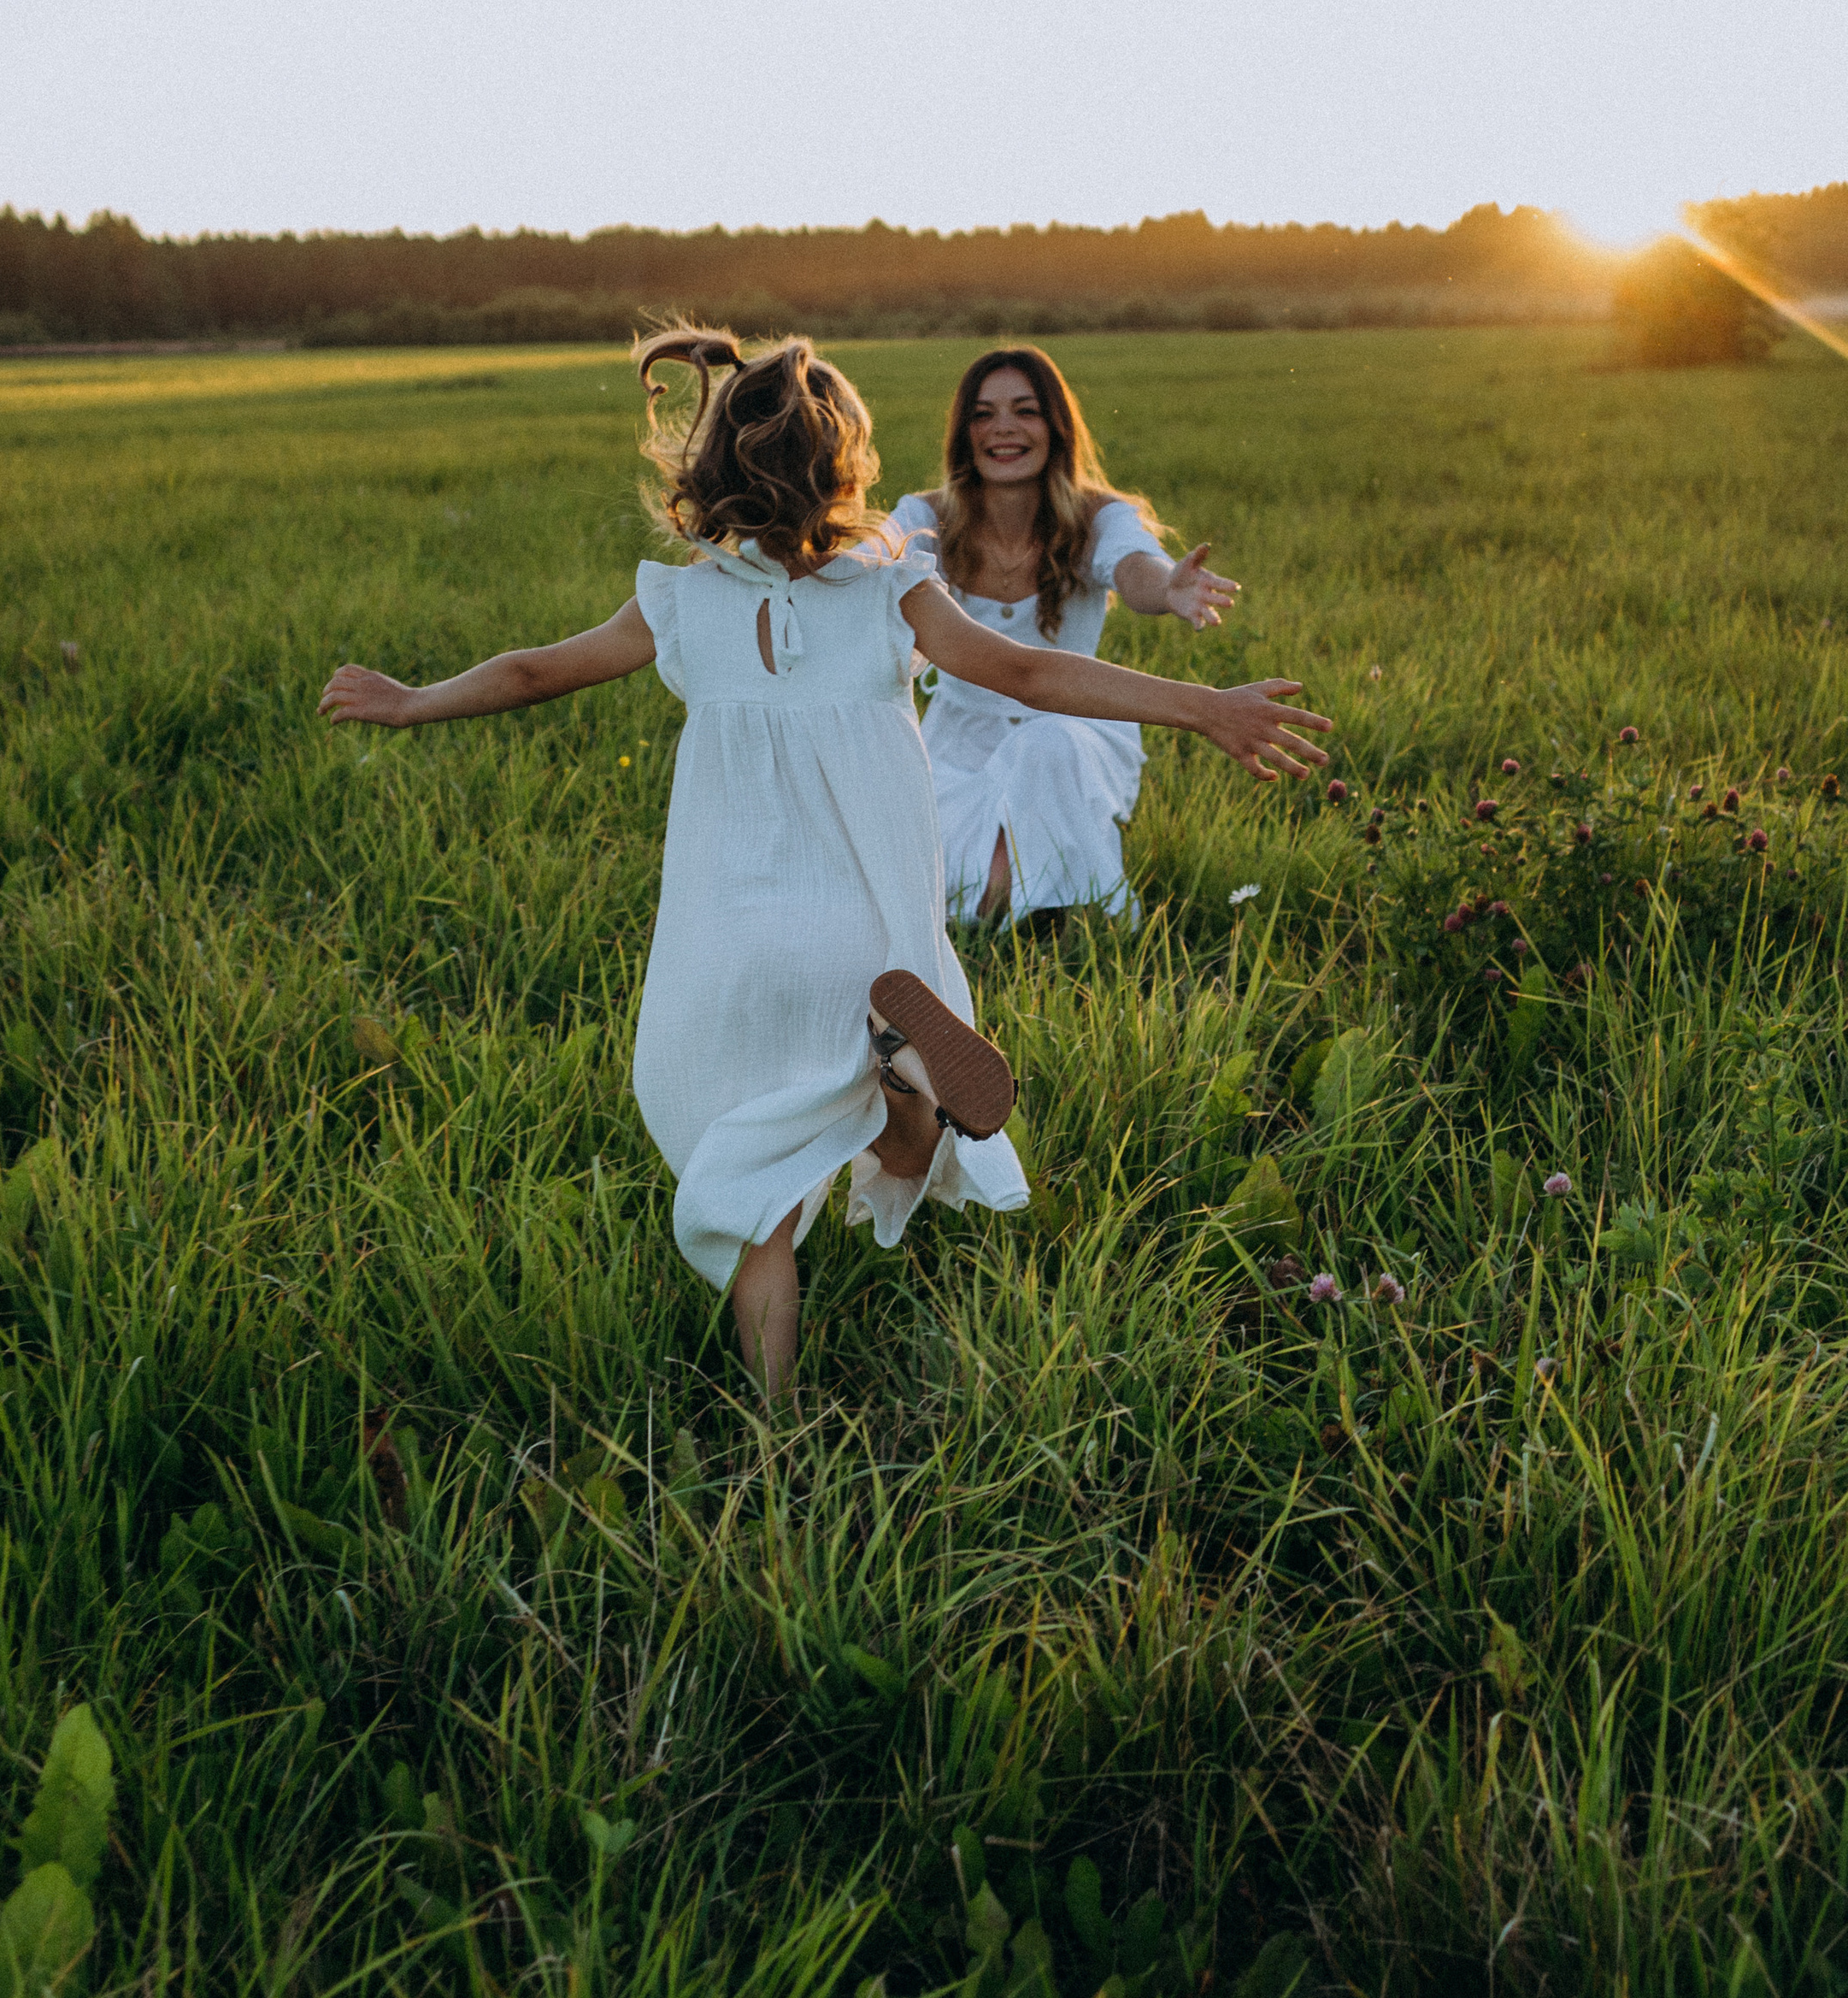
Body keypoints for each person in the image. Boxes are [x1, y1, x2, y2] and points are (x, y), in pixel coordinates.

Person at [317, 327, 1329, 1398]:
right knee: (872, 1058)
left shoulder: (677, 601)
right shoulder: (892, 586)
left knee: (746, 1169)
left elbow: (532, 670)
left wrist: (412, 700)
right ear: (847, 472)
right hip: (868, 920)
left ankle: (776, 1424)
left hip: (734, 937)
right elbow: (1028, 672)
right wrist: (1205, 708)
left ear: (706, 471)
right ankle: (905, 1107)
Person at [892, 345, 1239, 928]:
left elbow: (1135, 568)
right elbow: (878, 547)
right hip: (957, 743)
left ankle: (1065, 922)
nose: (1003, 427)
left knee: (1044, 749)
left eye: (1024, 410)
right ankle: (1044, 911)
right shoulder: (929, 515)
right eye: (983, 413)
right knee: (945, 893)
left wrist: (1169, 587)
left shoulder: (1098, 515)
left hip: (1075, 732)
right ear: (963, 433)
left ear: (1055, 426)